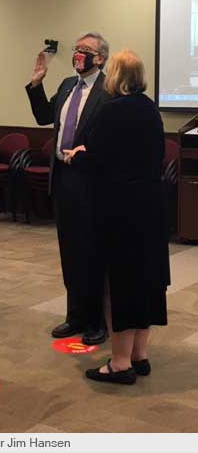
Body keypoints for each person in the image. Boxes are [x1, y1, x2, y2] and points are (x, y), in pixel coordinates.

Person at [66, 49, 170, 384]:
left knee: (119, 283)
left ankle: (120, 363)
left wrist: (75, 157)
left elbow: (99, 160)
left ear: (116, 77)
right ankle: (140, 355)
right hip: (151, 208)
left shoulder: (113, 111)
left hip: (120, 211)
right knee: (146, 281)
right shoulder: (150, 108)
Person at [26, 32, 110, 345]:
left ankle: (96, 321)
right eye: (76, 49)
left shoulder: (108, 90)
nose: (78, 54)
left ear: (100, 58)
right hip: (63, 178)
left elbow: (111, 138)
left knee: (92, 253)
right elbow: (42, 117)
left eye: (85, 50)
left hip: (91, 182)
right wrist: (37, 84)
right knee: (70, 252)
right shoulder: (65, 86)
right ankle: (74, 315)